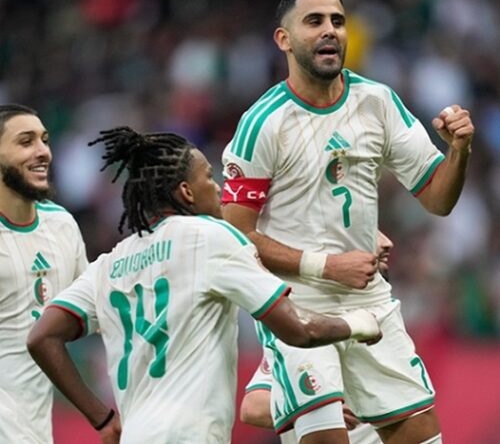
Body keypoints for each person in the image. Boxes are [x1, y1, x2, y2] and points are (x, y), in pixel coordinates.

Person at [222, 0, 474, 444]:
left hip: (370, 301)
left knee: (422, 434)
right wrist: (327, 266)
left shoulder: (377, 102)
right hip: (296, 307)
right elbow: (235, 237)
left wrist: (458, 150)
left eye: (337, 21)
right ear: (284, 39)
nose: (330, 31)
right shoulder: (263, 123)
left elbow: (439, 200)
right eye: (314, 21)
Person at [27, 127, 382, 444]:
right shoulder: (210, 236)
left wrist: (102, 419)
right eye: (209, 177)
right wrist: (359, 323)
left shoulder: (108, 265)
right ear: (186, 191)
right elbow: (298, 330)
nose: (217, 187)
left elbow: (41, 337)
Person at [239, 231, 394, 444]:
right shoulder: (319, 334)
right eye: (373, 234)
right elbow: (253, 407)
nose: (387, 243)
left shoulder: (391, 335)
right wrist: (320, 410)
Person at [0, 104, 88, 444]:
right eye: (26, 141)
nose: (43, 152)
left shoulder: (61, 225)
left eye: (44, 140)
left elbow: (94, 311)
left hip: (35, 430)